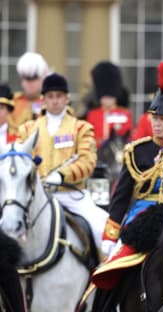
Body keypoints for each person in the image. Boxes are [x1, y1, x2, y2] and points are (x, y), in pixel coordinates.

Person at [91, 61, 163, 290]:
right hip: (142, 219)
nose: (156, 124)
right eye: (154, 119)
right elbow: (121, 199)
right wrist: (109, 236)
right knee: (109, 272)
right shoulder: (137, 151)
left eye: (162, 120)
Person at [18, 73, 109, 250]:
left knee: (102, 229)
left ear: (67, 98)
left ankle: (102, 272)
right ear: (43, 99)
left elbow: (87, 162)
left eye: (59, 96)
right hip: (36, 195)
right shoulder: (27, 129)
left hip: (71, 195)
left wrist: (62, 176)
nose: (55, 101)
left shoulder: (81, 128)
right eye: (50, 96)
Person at [86, 61, 133, 148]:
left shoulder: (125, 113)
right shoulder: (92, 114)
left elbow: (127, 135)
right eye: (105, 97)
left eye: (110, 97)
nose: (107, 100)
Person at [10, 52, 49, 129]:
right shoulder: (12, 102)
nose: (30, 83)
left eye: (34, 79)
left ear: (42, 80)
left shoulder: (49, 103)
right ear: (21, 80)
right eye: (27, 79)